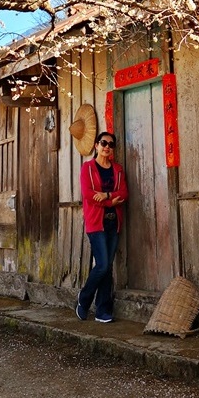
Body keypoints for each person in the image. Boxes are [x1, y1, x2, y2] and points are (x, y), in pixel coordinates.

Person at [76, 131, 128, 324]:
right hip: (96, 223)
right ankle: (84, 297)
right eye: (103, 143)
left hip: (113, 222)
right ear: (96, 145)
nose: (107, 147)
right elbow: (89, 195)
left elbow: (124, 193)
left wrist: (105, 196)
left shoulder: (118, 169)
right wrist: (110, 200)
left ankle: (102, 310)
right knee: (103, 264)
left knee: (107, 267)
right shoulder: (87, 168)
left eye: (111, 144)